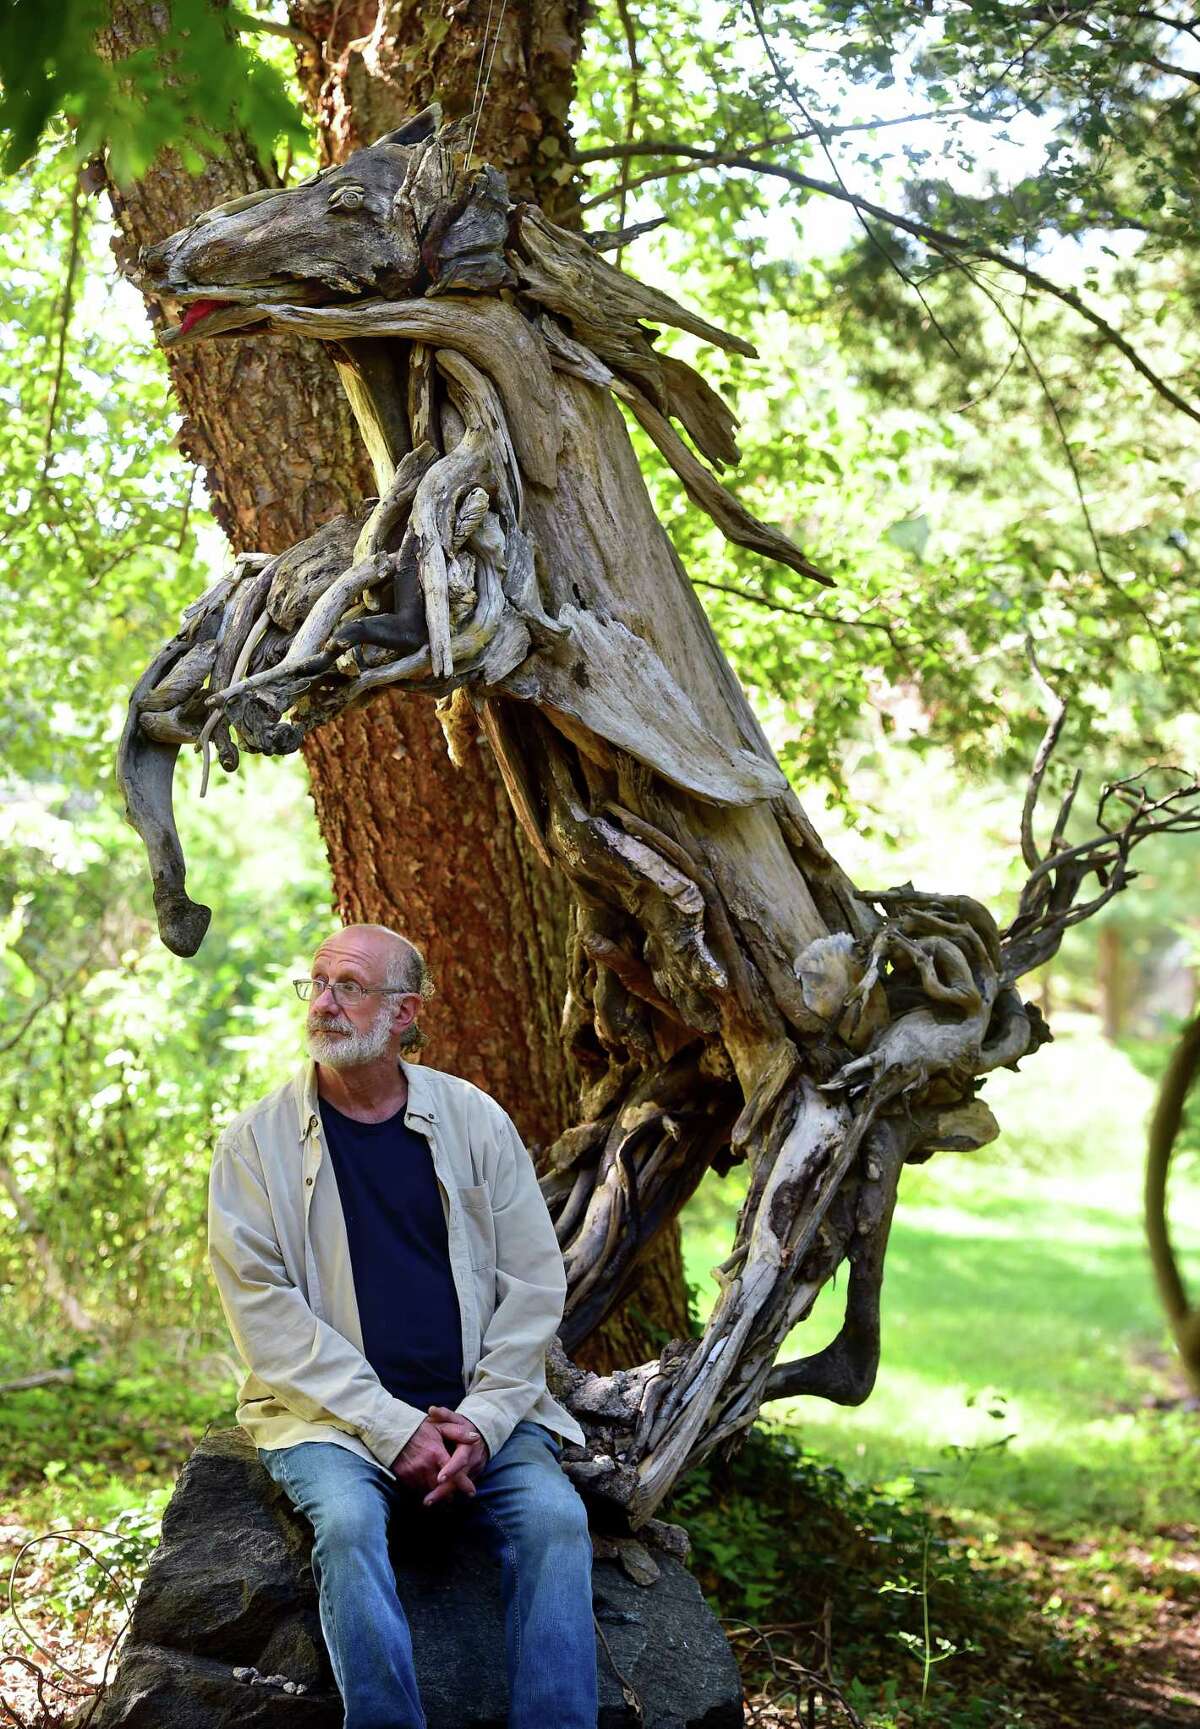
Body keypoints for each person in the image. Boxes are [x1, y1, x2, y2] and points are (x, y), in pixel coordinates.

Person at [207, 922, 597, 1729]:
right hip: (330, 1421)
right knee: (348, 1527)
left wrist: (484, 1424)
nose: (324, 1003)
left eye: (349, 986)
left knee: (557, 1521)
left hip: (477, 1409)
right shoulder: (255, 1142)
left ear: (404, 1010)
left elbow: (532, 1283)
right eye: (316, 982)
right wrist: (393, 1428)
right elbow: (263, 1311)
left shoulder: (475, 1120)